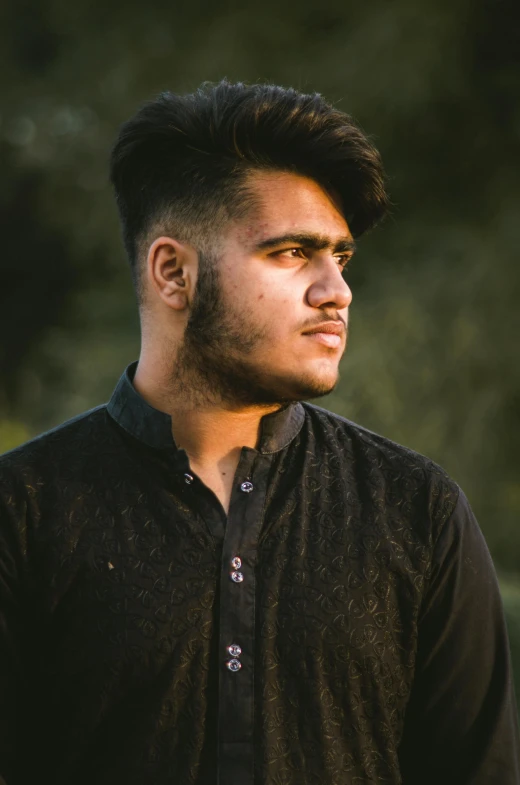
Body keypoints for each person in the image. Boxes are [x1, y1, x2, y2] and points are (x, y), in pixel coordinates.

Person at [0, 80, 518, 785]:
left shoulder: (418, 514)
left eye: (342, 255)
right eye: (292, 252)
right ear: (173, 271)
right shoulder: (24, 514)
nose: (336, 290)